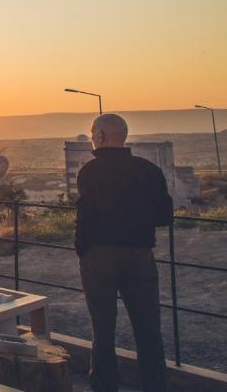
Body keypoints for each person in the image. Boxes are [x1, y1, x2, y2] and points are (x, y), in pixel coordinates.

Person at [76, 113, 173, 391]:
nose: (93, 137)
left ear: (101, 136)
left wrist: (82, 249)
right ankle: (155, 386)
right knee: (148, 329)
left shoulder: (90, 172)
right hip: (140, 255)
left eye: (94, 132)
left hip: (99, 256)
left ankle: (104, 386)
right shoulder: (148, 170)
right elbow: (165, 214)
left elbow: (84, 216)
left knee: (103, 329)